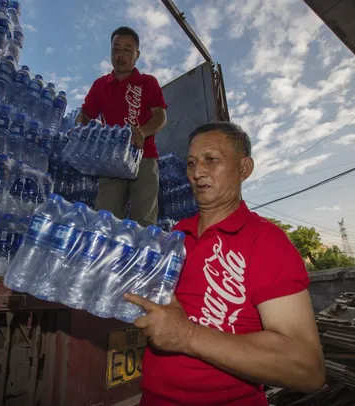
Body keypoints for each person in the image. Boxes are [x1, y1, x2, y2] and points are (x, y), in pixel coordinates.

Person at [124, 122, 326, 406]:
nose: (197, 172)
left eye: (211, 159)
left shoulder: (266, 241)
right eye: (191, 162)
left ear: (244, 169)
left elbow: (307, 368)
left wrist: (187, 335)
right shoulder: (174, 237)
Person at [76, 26, 167, 227]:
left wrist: (142, 132)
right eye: (116, 48)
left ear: (137, 54)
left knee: (144, 221)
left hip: (144, 156)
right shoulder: (101, 85)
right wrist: (80, 134)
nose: (120, 55)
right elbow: (84, 115)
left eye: (127, 49)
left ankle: (140, 258)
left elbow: (160, 116)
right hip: (111, 160)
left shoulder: (148, 82)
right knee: (104, 219)